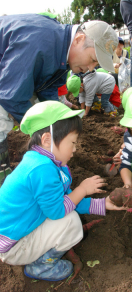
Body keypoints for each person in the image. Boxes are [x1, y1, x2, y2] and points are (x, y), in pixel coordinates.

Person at [0, 101, 125, 281]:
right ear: (47, 140)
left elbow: (68, 200)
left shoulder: (43, 163)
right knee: (71, 222)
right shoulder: (41, 169)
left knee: (68, 212)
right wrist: (82, 189)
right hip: (15, 247)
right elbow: (58, 210)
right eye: (72, 143)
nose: (75, 149)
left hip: (19, 233)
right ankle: (41, 266)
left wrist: (103, 203)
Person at [0, 14, 118, 184]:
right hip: (6, 81)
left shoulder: (63, 54)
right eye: (92, 59)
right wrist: (42, 130)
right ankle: (3, 177)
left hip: (10, 79)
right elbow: (12, 95)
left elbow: (47, 94)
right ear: (79, 39)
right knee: (2, 117)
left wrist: (58, 127)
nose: (90, 69)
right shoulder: (40, 41)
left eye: (96, 65)